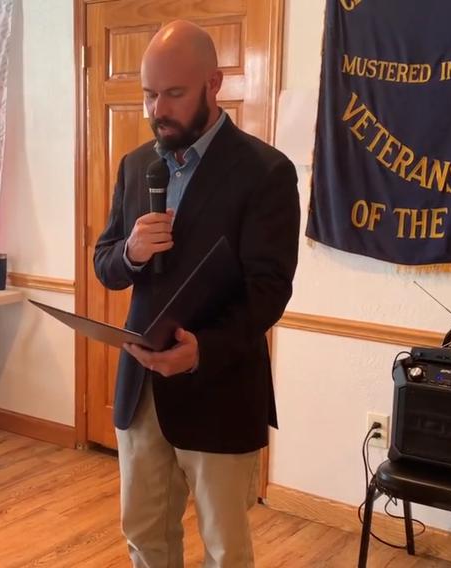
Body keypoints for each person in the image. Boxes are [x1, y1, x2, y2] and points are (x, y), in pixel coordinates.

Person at [93, 21, 300, 568]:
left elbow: (270, 290)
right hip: (141, 394)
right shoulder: (137, 165)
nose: (157, 109)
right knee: (144, 534)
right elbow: (105, 264)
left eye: (174, 94)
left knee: (224, 549)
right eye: (148, 94)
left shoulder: (265, 172)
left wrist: (202, 349)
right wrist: (131, 252)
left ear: (215, 83)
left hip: (220, 388)